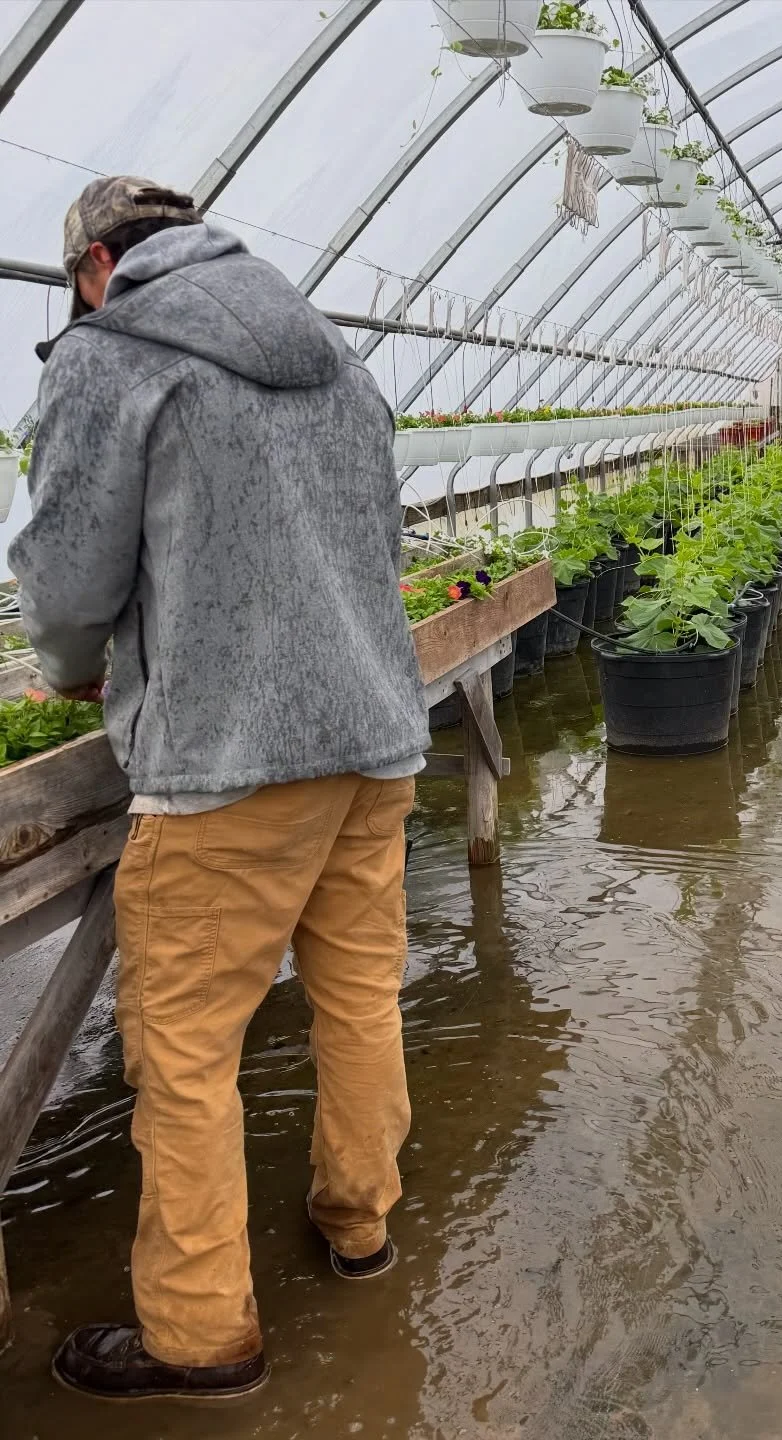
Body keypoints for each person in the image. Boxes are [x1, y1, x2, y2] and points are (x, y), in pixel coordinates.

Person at [9, 176, 431, 1402]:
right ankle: (360, 1228)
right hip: (372, 741)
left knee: (186, 1054)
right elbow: (378, 543)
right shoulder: (336, 362)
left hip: (229, 764)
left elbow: (73, 571)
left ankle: (199, 1336)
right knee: (359, 997)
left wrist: (77, 672)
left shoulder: (111, 355)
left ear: (96, 265)